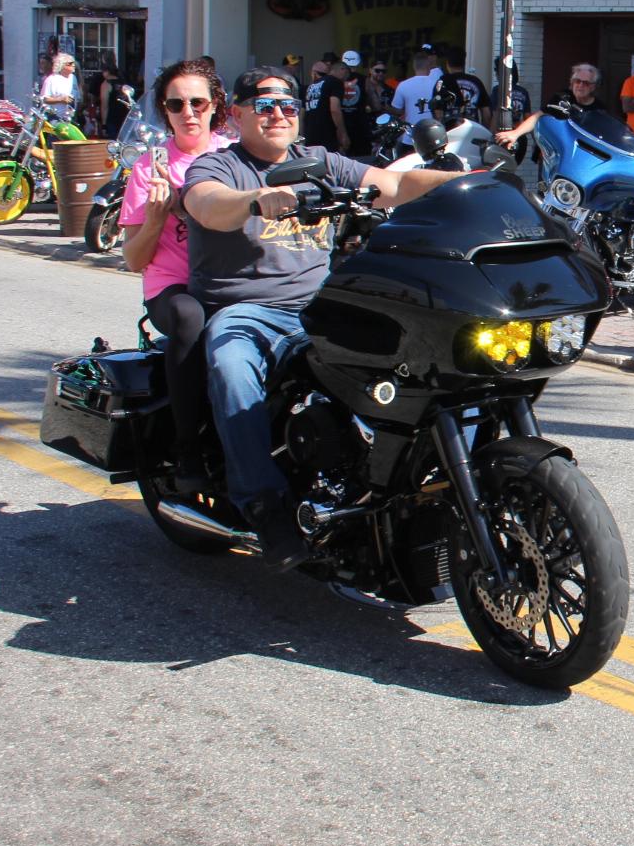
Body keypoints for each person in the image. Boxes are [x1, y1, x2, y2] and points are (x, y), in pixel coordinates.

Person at [180, 66, 467, 570]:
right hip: (246, 311)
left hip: (320, 306)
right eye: (263, 105)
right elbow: (207, 205)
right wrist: (256, 200)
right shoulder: (219, 166)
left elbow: (396, 183)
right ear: (238, 114)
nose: (277, 114)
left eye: (287, 105)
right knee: (230, 364)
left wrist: (470, 183)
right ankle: (264, 504)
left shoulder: (319, 162)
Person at [118, 58, 227, 489]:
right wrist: (156, 218)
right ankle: (188, 449)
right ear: (164, 110)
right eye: (176, 104)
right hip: (174, 286)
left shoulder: (233, 157)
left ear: (215, 105)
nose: (189, 112)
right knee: (188, 316)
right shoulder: (150, 167)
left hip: (230, 280)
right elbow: (134, 259)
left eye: (198, 102)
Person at [495, 63, 606, 148]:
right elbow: (538, 116)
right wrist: (515, 134)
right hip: (558, 151)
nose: (580, 85)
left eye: (586, 83)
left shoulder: (599, 109)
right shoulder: (562, 98)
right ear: (572, 83)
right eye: (577, 81)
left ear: (593, 86)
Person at [302, 59, 349, 154]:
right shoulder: (335, 82)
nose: (346, 78)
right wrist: (343, 134)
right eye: (347, 74)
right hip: (327, 135)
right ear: (342, 70)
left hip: (310, 136)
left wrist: (303, 135)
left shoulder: (311, 86)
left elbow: (302, 113)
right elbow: (334, 109)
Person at [391, 44, 442, 124]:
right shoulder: (438, 84)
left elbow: (397, 109)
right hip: (433, 128)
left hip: (414, 129)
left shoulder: (403, 85)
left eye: (427, 55)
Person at [338, 49, 373, 156]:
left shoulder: (335, 80)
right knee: (362, 158)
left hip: (341, 124)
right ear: (358, 63)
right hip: (360, 125)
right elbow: (374, 103)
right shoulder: (365, 80)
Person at [41, 53, 80, 121]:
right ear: (62, 65)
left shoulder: (73, 78)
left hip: (70, 118)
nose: (73, 65)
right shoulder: (51, 79)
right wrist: (60, 100)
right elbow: (44, 99)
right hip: (55, 118)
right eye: (70, 64)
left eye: (73, 63)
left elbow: (77, 97)